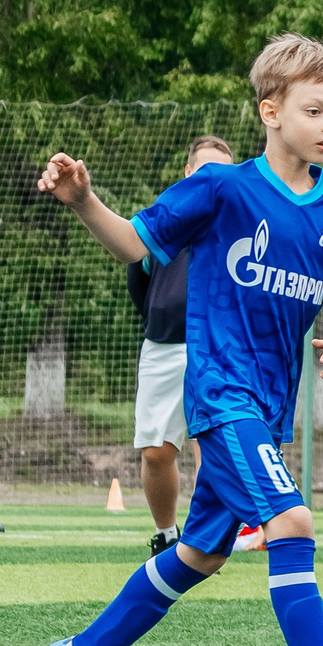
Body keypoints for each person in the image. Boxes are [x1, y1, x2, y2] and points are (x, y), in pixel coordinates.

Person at [33, 32, 323, 646]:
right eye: (316, 110)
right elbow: (137, 244)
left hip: (267, 406)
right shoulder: (222, 189)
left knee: (202, 554)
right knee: (292, 524)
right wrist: (83, 202)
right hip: (222, 394)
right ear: (270, 110)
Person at [128, 135, 239, 552]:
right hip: (164, 343)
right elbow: (138, 278)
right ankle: (167, 534)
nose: (214, 178)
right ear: (188, 173)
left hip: (222, 348)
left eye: (223, 172)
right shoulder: (162, 218)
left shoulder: (241, 222)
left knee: (220, 444)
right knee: (156, 452)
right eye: (206, 169)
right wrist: (163, 312)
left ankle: (217, 535)